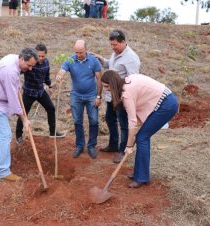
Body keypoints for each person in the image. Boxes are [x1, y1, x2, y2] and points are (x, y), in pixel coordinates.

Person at [101, 70, 179, 188]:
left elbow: (132, 122)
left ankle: (141, 178)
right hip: (163, 101)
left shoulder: (127, 94)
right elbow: (136, 118)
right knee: (141, 136)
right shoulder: (126, 83)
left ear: (113, 83)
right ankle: (139, 173)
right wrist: (130, 142)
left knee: (142, 137)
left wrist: (128, 146)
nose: (105, 89)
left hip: (167, 105)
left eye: (106, 86)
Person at [0, 48, 38, 181]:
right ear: (22, 59)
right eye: (28, 66)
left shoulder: (13, 58)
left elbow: (14, 87)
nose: (30, 69)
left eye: (32, 66)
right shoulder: (11, 71)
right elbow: (13, 100)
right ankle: (3, 171)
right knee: (5, 135)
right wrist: (24, 119)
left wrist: (18, 86)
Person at [91, 30, 140, 164]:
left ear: (123, 42)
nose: (113, 47)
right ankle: (113, 144)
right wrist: (102, 59)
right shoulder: (116, 53)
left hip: (122, 96)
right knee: (109, 118)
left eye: (115, 45)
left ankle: (122, 150)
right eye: (111, 45)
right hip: (111, 95)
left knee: (123, 124)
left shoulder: (131, 58)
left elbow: (134, 80)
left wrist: (125, 95)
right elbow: (110, 65)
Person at [56, 40, 102, 159]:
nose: (78, 55)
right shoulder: (70, 60)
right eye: (76, 52)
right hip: (76, 95)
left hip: (91, 95)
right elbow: (63, 70)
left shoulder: (94, 61)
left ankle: (91, 146)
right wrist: (59, 75)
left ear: (86, 49)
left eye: (81, 52)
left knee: (94, 121)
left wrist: (98, 96)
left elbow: (99, 79)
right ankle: (80, 145)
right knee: (77, 121)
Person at [16, 44, 65, 143]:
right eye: (39, 56)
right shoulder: (30, 63)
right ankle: (18, 135)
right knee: (23, 113)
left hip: (40, 91)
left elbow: (46, 77)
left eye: (43, 56)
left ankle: (52, 132)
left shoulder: (46, 63)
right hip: (29, 92)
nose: (41, 58)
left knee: (51, 108)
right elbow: (18, 71)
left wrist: (50, 85)